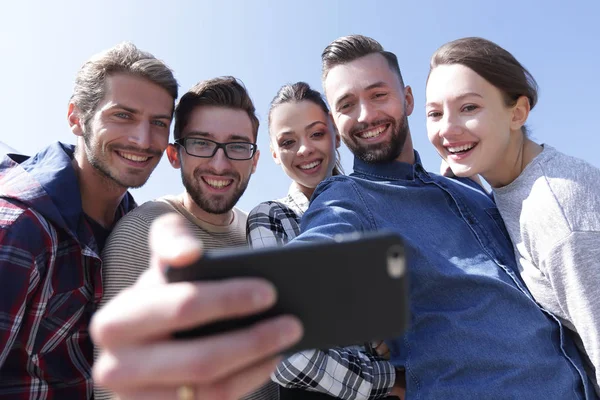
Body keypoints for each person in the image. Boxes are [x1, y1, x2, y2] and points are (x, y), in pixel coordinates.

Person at [289, 34, 597, 399]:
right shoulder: (346, 200)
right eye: (346, 104)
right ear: (335, 121)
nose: (366, 115)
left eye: (378, 95)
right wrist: (387, 381)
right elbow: (297, 287)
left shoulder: (471, 186)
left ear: (407, 99)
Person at [0, 42, 178, 398]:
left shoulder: (140, 228)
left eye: (159, 123)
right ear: (76, 117)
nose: (143, 140)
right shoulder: (21, 227)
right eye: (123, 116)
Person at [425, 36, 600, 395]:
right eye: (435, 113)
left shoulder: (556, 207)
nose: (446, 128)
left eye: (469, 108)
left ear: (517, 113)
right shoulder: (508, 183)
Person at [95, 76, 282, 399]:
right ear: (174, 155)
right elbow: (114, 387)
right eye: (201, 143)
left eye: (237, 146)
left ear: (254, 161)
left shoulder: (260, 233)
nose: (219, 164)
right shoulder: (140, 234)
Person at [247, 82, 397, 400]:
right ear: (274, 153)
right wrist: (392, 378)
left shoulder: (379, 205)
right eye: (288, 141)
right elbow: (285, 355)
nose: (304, 150)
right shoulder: (272, 218)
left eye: (316, 133)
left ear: (336, 134)